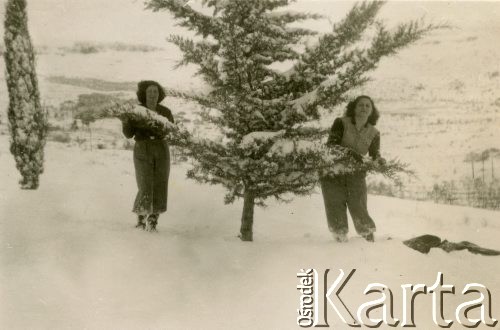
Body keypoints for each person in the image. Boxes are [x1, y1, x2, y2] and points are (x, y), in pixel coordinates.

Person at [320, 95, 384, 243]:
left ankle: (368, 238)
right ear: (354, 108)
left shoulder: (374, 133)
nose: (364, 108)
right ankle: (339, 240)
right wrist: (349, 153)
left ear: (372, 111)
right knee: (335, 206)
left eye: (368, 106)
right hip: (332, 172)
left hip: (356, 174)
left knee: (359, 206)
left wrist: (380, 161)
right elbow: (331, 145)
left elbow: (375, 155)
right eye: (360, 105)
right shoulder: (341, 123)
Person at [122, 80, 175, 232]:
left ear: (160, 95)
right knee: (145, 183)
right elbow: (128, 134)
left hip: (161, 148)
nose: (153, 94)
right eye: (150, 91)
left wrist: (160, 129)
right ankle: (141, 217)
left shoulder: (166, 112)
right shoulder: (136, 110)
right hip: (142, 148)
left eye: (156, 92)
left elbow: (170, 131)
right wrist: (125, 121)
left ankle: (153, 220)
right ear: (144, 94)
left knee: (160, 183)